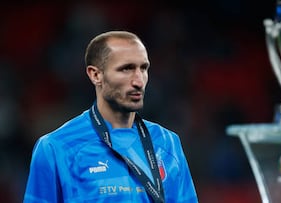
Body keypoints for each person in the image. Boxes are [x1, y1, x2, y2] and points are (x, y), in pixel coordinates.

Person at [23, 31, 198, 203]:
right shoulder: (56, 147)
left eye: (143, 68)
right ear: (96, 75)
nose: (138, 81)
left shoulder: (167, 143)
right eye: (126, 69)